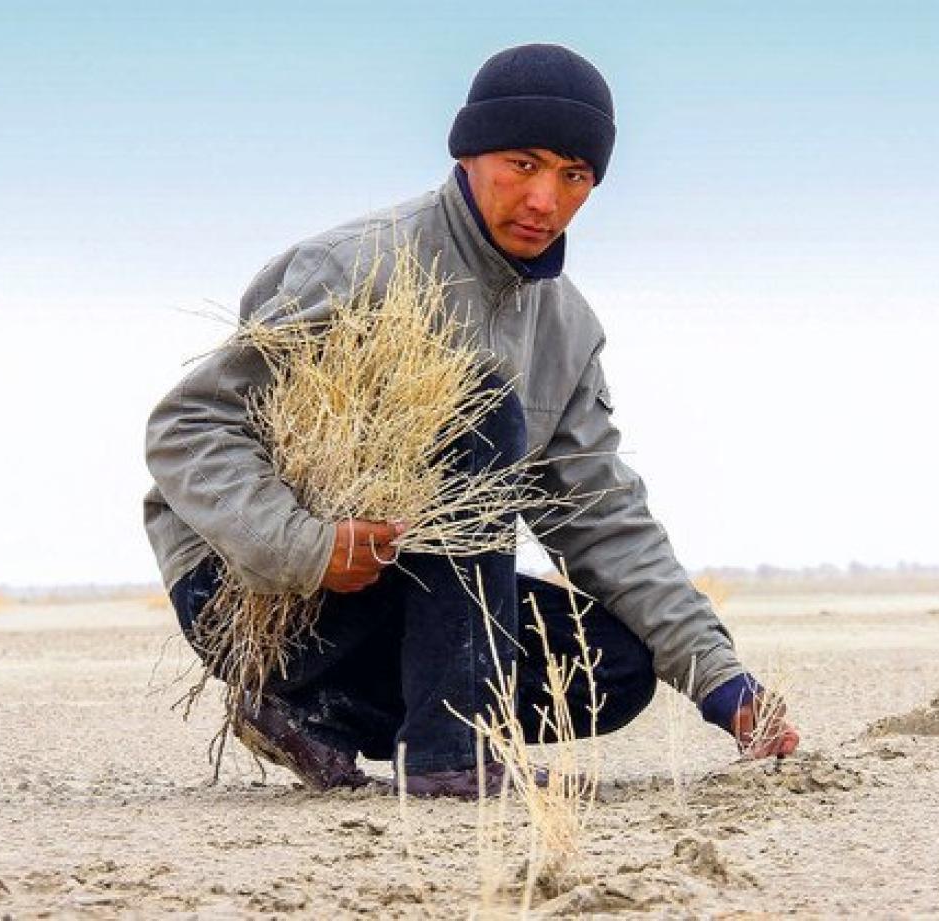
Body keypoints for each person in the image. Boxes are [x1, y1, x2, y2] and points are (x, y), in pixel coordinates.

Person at [142, 43, 799, 797]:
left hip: (409, 599)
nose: (545, 200)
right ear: (470, 154)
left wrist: (723, 682)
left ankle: (314, 714)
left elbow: (603, 516)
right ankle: (450, 753)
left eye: (574, 176)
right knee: (480, 409)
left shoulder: (568, 330)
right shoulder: (360, 267)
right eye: (524, 164)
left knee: (611, 664)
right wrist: (307, 546)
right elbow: (189, 426)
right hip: (259, 595)